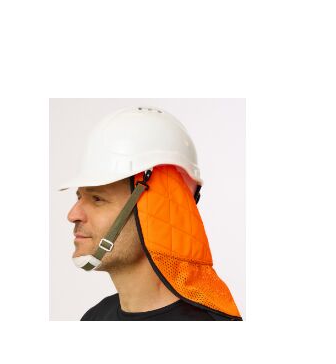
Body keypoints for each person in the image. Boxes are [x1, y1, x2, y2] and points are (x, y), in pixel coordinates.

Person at [59, 106, 242, 321]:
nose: (73, 215)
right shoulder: (95, 317)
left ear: (159, 209)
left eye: (97, 199)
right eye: (79, 197)